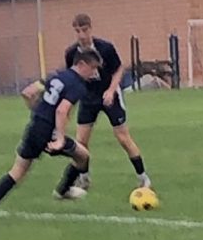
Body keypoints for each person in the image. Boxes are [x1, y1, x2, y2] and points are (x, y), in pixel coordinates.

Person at [0, 47, 102, 217]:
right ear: (81, 64)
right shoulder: (78, 85)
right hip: (50, 132)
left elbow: (28, 93)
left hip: (35, 127)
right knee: (83, 156)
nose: (94, 73)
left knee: (17, 171)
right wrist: (60, 139)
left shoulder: (56, 75)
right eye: (92, 68)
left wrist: (38, 112)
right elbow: (61, 111)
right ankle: (63, 190)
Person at [62, 13, 152, 191]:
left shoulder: (105, 48)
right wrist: (70, 104)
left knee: (123, 138)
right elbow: (72, 78)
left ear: (90, 29)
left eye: (84, 30)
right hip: (88, 99)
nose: (81, 35)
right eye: (77, 31)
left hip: (109, 97)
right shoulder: (71, 53)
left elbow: (119, 69)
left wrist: (111, 90)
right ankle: (84, 179)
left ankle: (143, 178)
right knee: (81, 142)